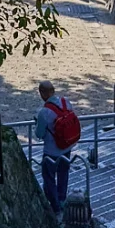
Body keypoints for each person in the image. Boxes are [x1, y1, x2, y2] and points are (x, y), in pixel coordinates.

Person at [34, 80, 77, 215]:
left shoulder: (44, 112)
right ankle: (62, 199)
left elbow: (39, 134)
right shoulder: (66, 102)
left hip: (51, 151)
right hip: (67, 146)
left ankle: (55, 206)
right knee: (64, 173)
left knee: (49, 177)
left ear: (42, 93)